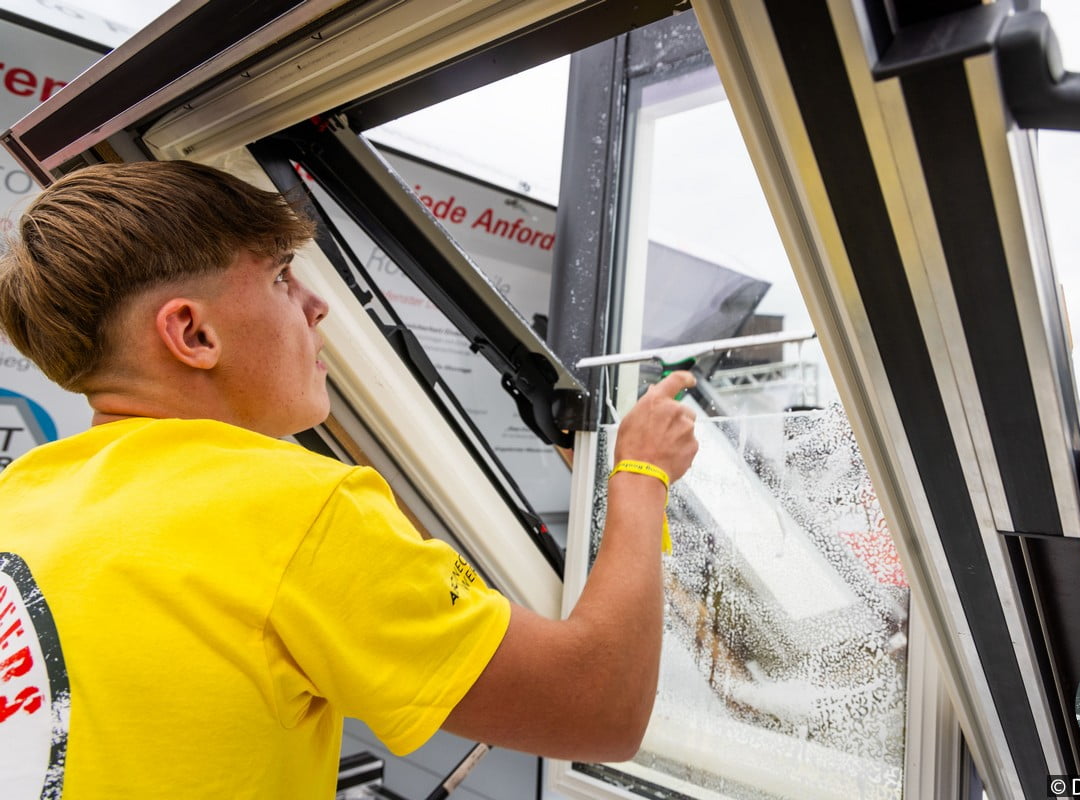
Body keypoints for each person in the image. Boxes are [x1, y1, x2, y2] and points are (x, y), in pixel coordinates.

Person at [0, 160, 698, 797]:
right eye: (280, 277)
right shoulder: (294, 507)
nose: (316, 303)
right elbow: (598, 707)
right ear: (193, 334)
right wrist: (641, 474)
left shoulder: (23, 495)